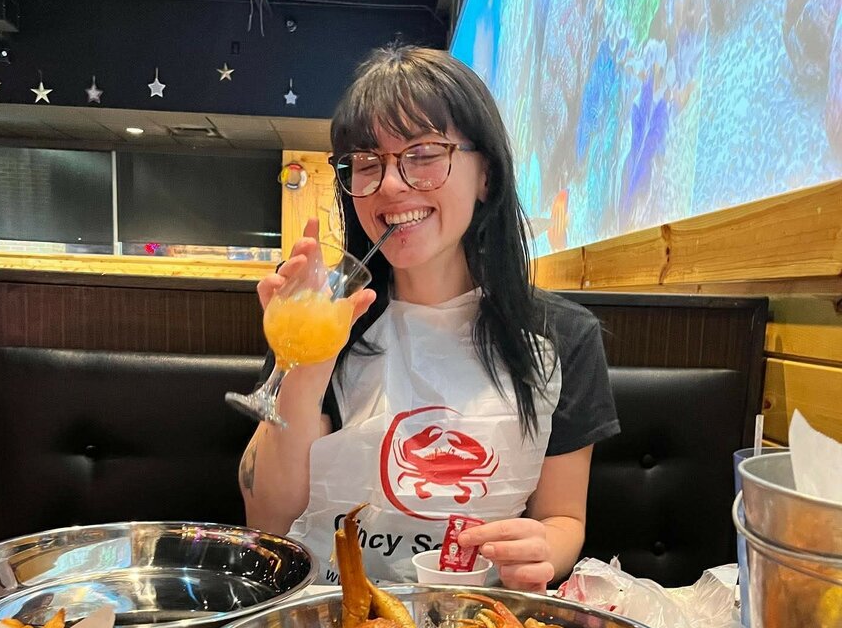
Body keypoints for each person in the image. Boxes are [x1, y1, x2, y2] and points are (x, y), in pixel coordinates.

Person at [239, 44, 619, 591]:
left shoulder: (563, 337)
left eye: (422, 154)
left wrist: (544, 550)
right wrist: (307, 363)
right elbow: (269, 520)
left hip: (478, 619)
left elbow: (563, 518)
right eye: (367, 162)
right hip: (332, 617)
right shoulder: (321, 313)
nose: (391, 184)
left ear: (485, 174)